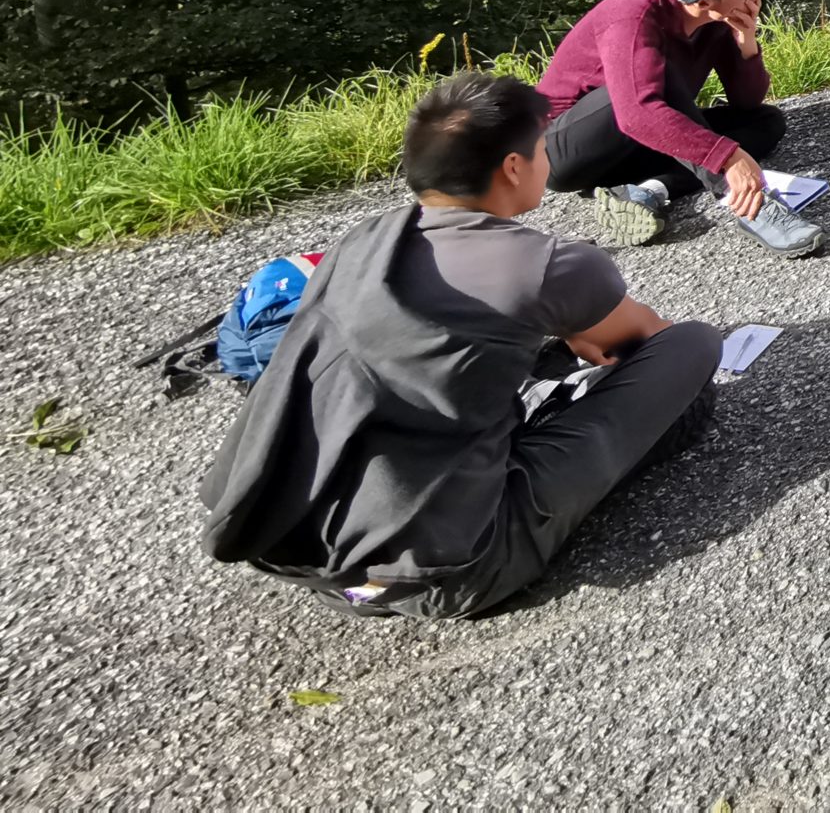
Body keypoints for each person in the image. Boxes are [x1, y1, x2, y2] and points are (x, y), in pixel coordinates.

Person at [201, 72, 723, 620]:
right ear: (514, 167)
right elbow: (643, 334)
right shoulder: (548, 262)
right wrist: (577, 319)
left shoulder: (363, 243)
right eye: (541, 147)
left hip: (314, 559)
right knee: (692, 345)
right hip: (455, 572)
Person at [537, 0, 815, 257]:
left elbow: (746, 101)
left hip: (638, 139)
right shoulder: (632, 17)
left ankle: (650, 191)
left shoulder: (716, 19)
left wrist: (746, 43)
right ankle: (751, 208)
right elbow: (637, 112)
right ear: (704, 0)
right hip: (563, 152)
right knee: (661, 79)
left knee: (766, 122)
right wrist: (726, 158)